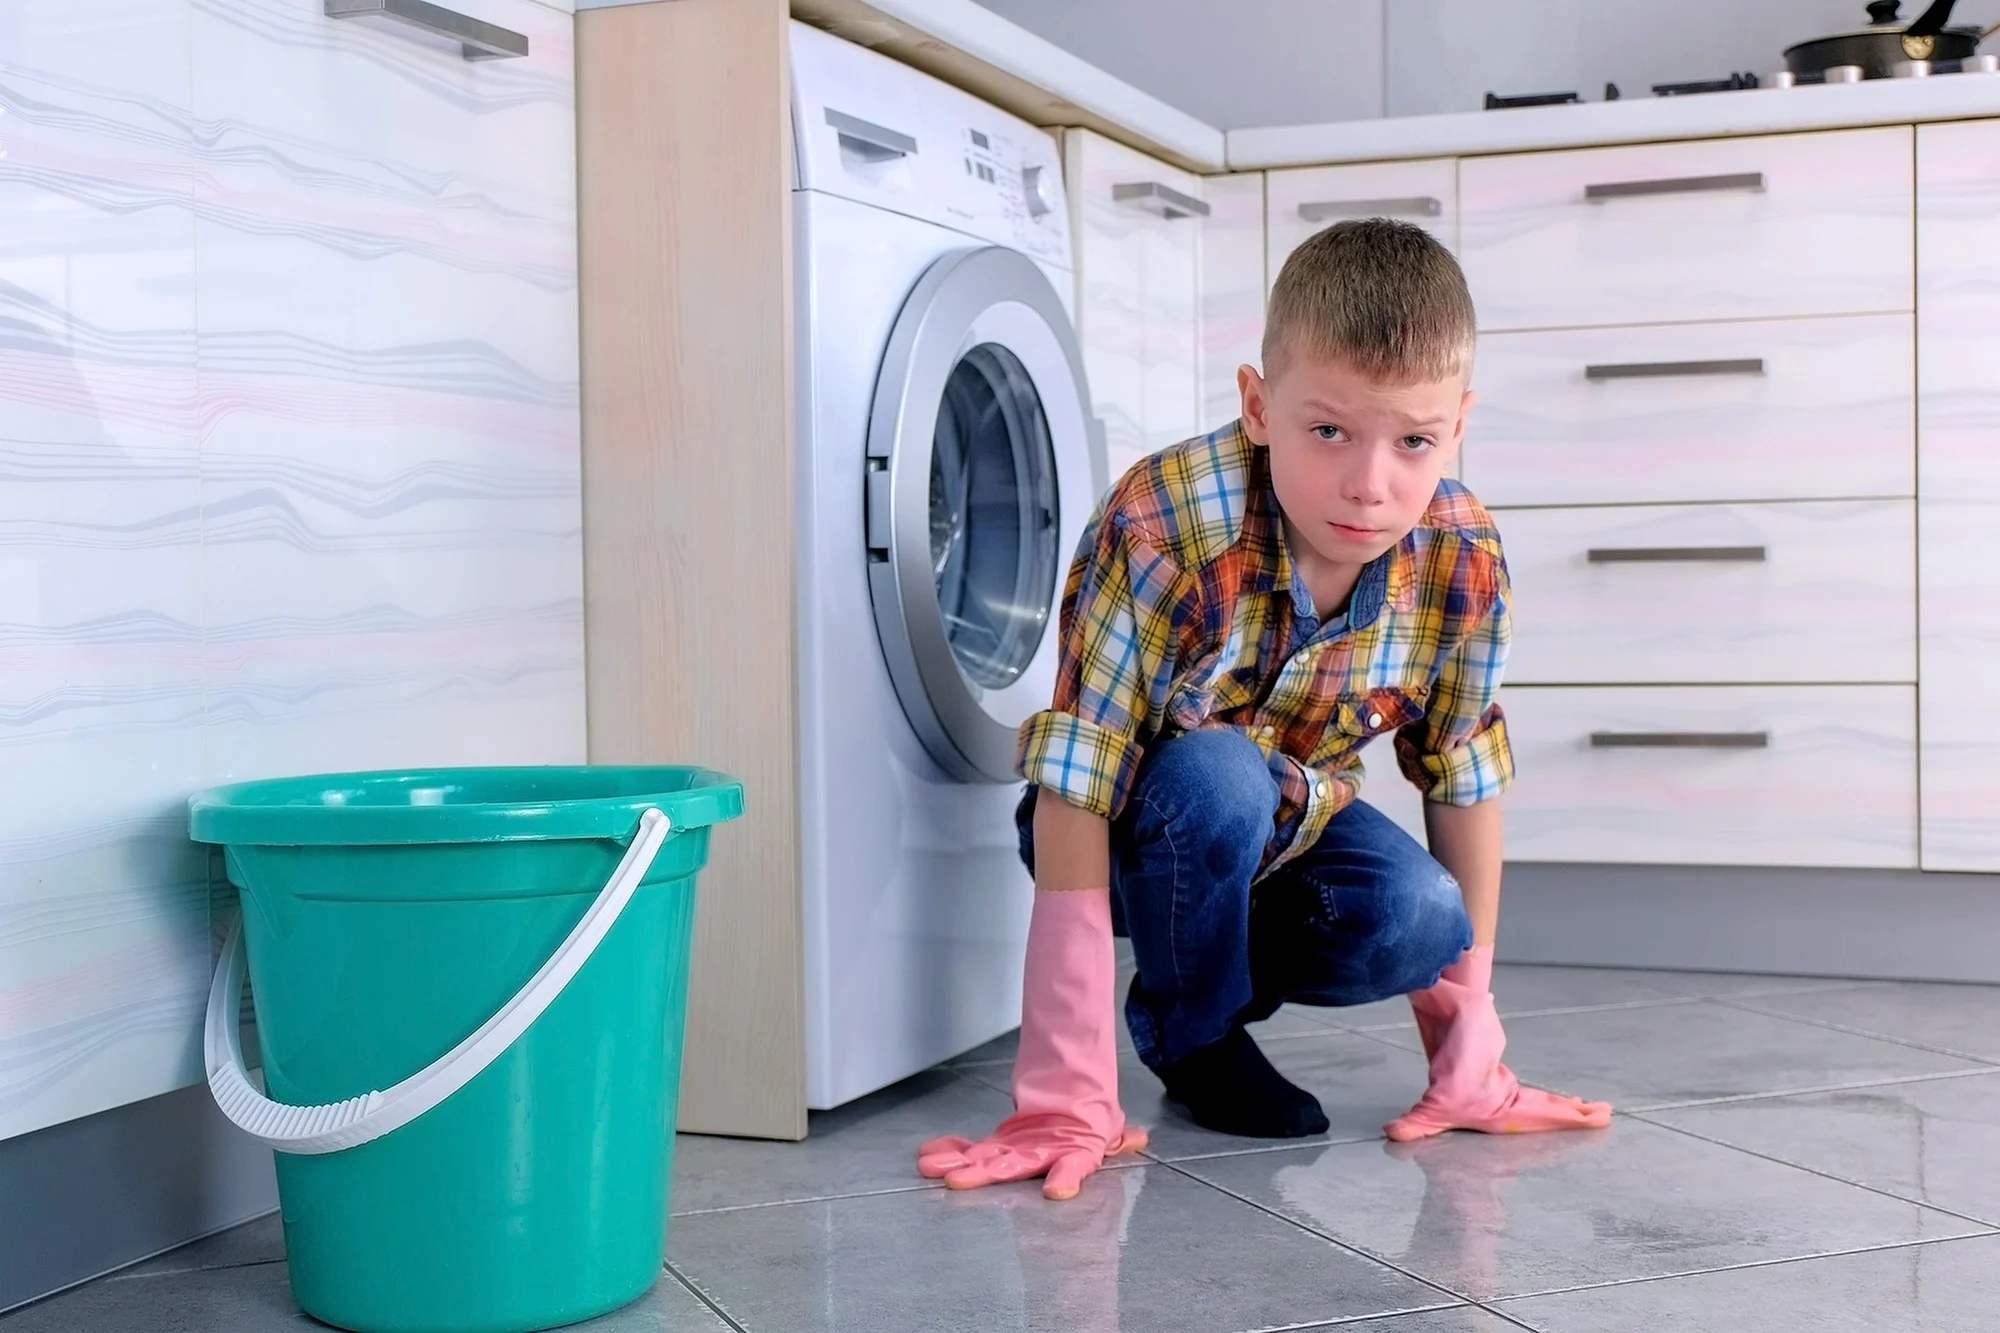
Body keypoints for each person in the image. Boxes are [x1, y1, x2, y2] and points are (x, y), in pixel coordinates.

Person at [916, 218, 1612, 1203]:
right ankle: (1190, 1037)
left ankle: (1206, 984)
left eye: (1412, 441)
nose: (1369, 486)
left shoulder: (1460, 554)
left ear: (1456, 426)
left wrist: (1470, 1054)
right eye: (1327, 430)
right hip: (1122, 835)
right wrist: (1066, 1090)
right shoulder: (1165, 521)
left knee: (1419, 916)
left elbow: (1459, 770)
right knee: (1215, 773)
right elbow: (1078, 776)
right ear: (1256, 405)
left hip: (1287, 831)